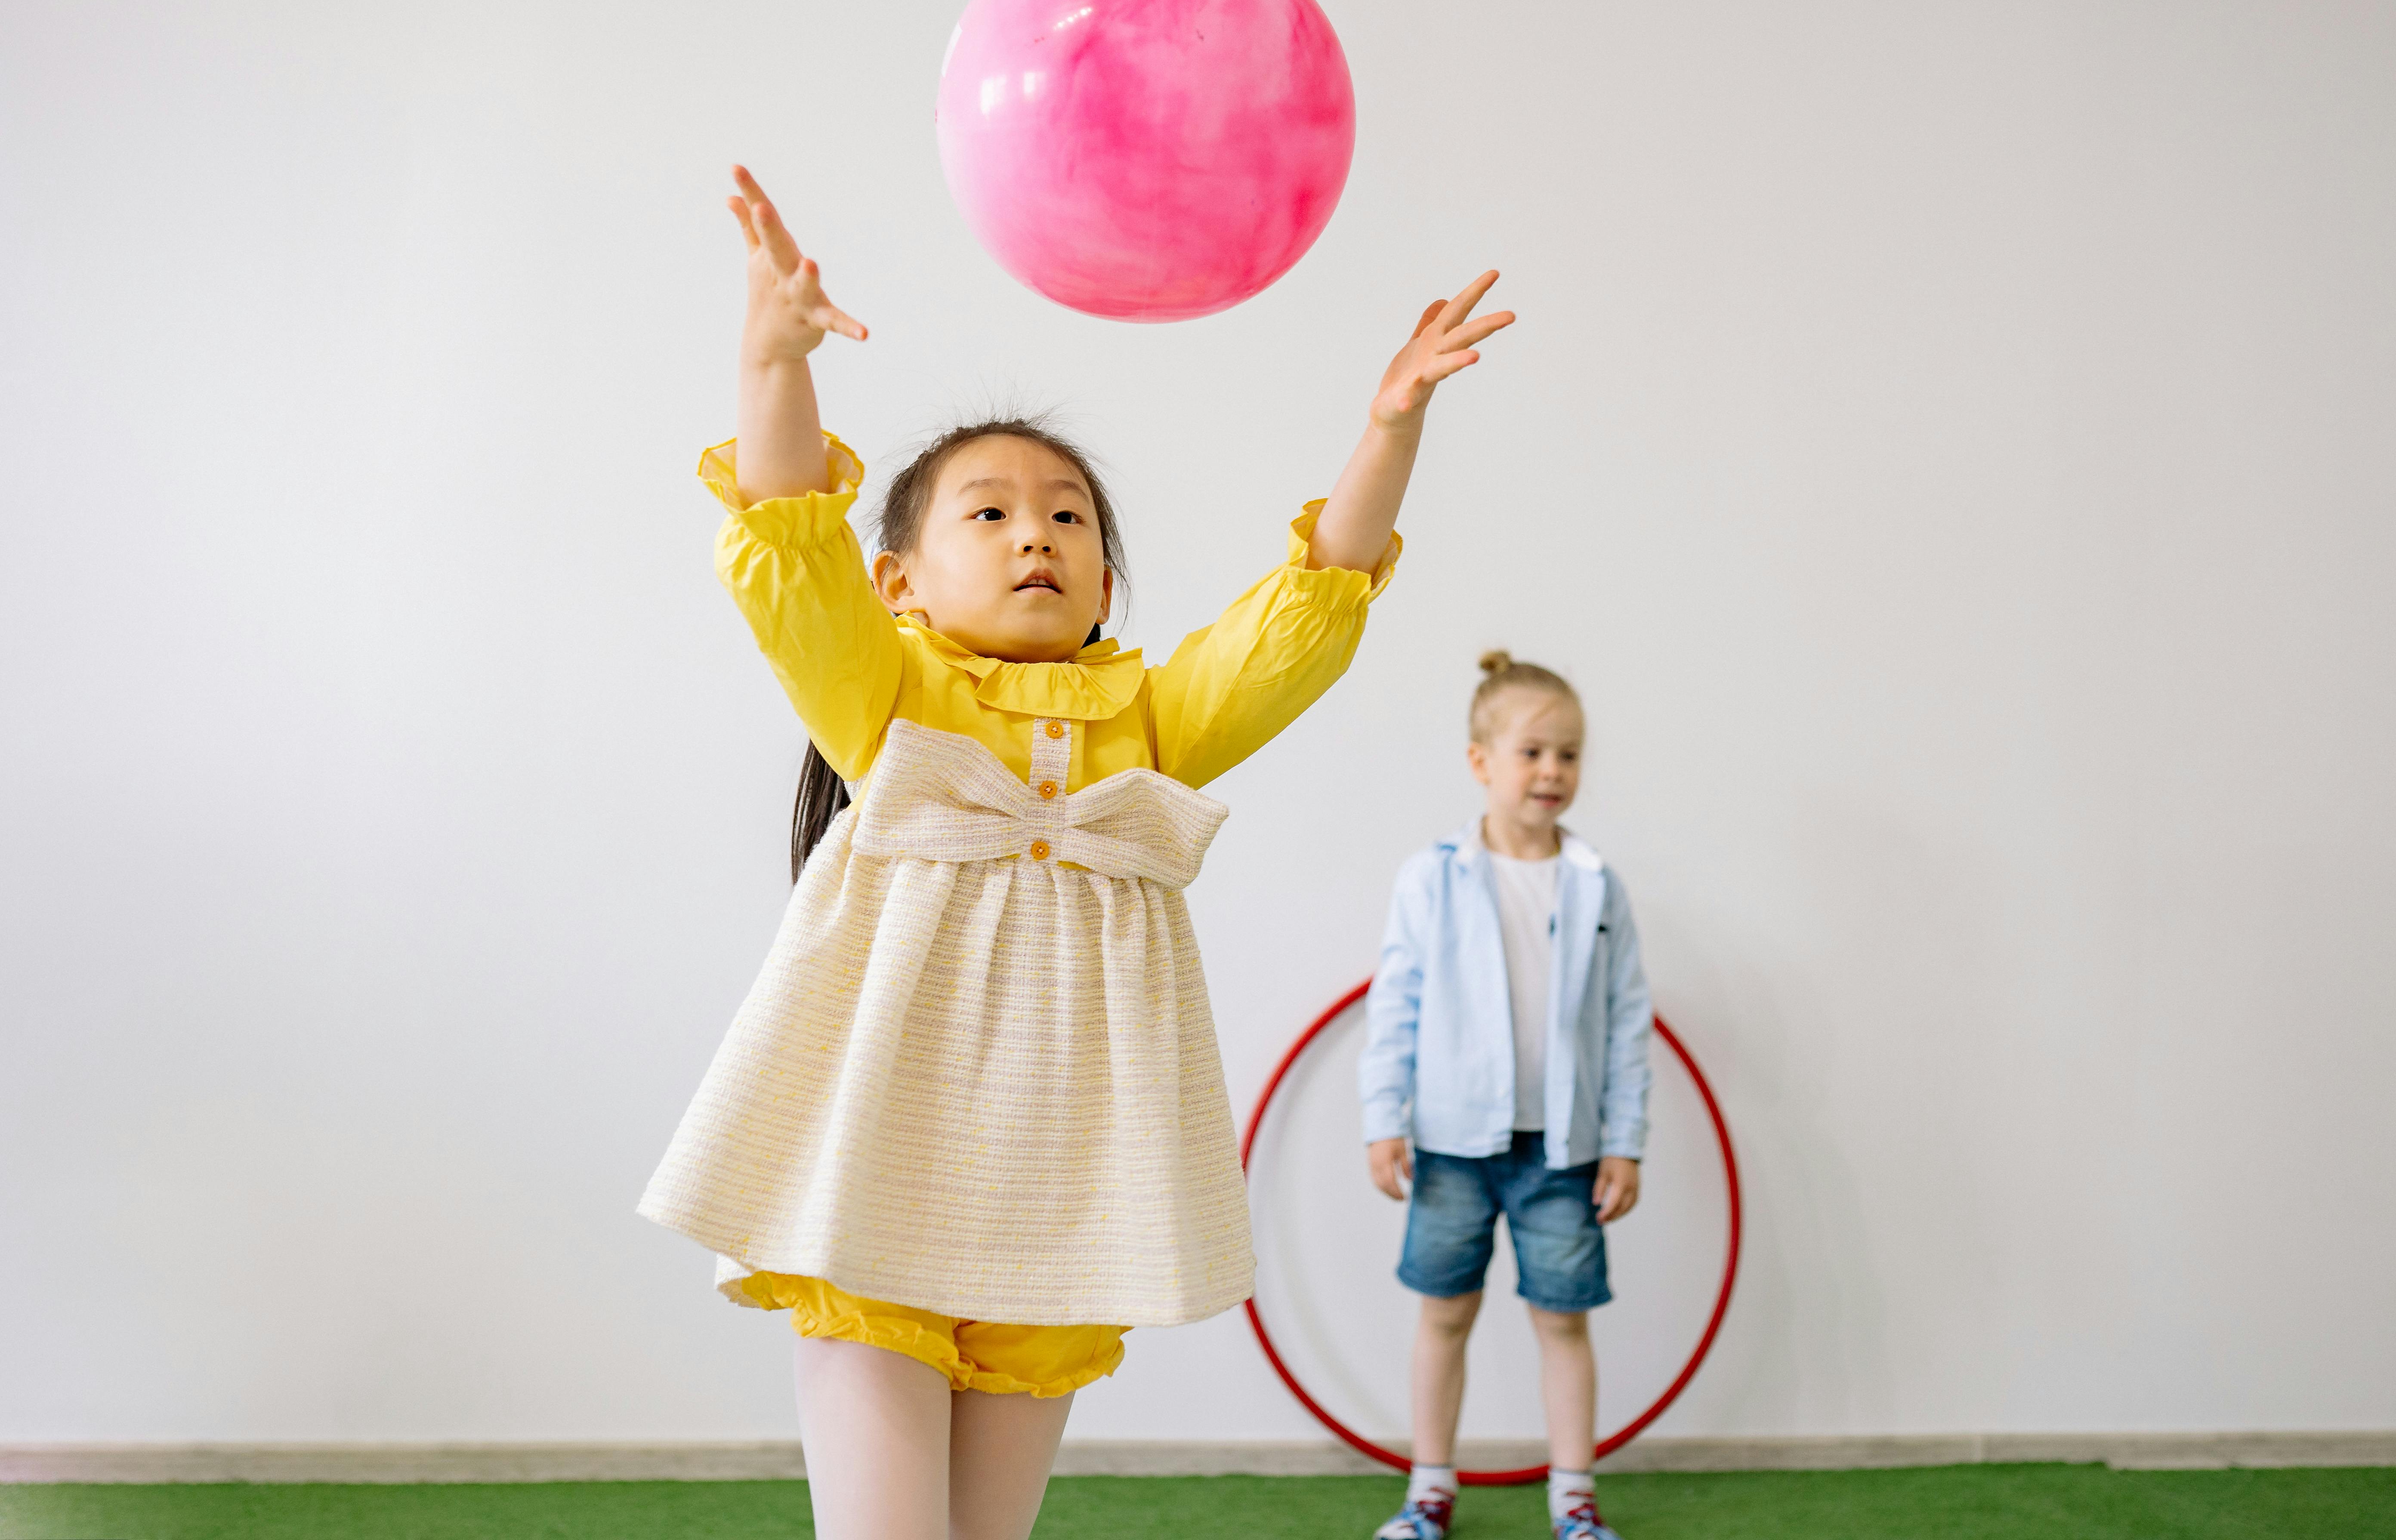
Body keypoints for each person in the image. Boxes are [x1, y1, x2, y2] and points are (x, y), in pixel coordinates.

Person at [639, 167, 1513, 1540]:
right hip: (878, 1175)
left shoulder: (1150, 725)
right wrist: (772, 360)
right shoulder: (890, 700)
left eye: (1066, 517)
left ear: (1106, 581)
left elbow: (1305, 617)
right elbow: (791, 538)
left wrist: (1387, 427)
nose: (1034, 532)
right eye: (985, 512)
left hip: (1055, 1196)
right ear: (903, 581)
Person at [1359, 652, 1653, 1540]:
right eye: (1532, 752)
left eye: (1568, 754)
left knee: (1563, 1320)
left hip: (1563, 1150)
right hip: (1451, 1142)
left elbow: (1626, 1021)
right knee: (1444, 1311)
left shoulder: (1598, 884)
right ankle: (1429, 1491)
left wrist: (1625, 1139)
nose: (1553, 771)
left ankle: (1574, 1498)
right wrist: (1385, 1120)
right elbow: (1396, 1002)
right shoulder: (1433, 877)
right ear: (1481, 760)